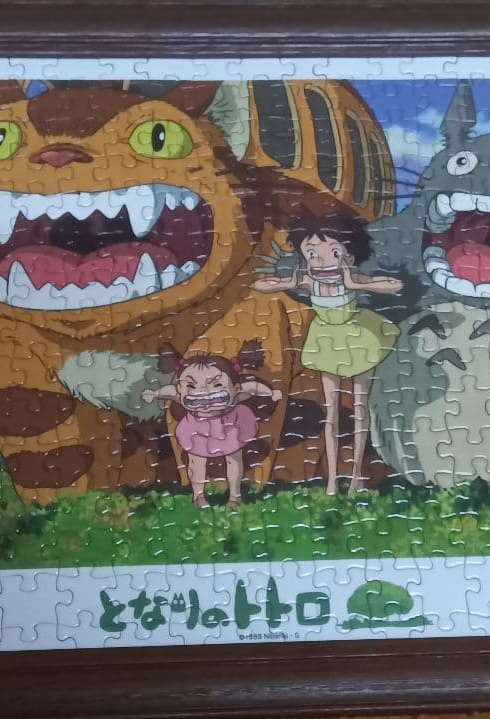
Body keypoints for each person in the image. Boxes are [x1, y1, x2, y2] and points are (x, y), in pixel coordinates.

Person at [252, 210, 402, 494]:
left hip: (359, 337)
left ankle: (356, 477)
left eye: (334, 253)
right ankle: (333, 479)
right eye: (312, 254)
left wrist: (355, 283)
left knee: (360, 408)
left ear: (350, 256)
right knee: (330, 412)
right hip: (325, 341)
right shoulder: (310, 282)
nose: (322, 262)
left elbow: (395, 285)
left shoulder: (351, 277)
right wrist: (288, 283)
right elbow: (259, 284)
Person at [144, 340, 281, 508]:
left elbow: (252, 387)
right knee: (196, 462)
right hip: (196, 430)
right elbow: (170, 391)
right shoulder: (179, 394)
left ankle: (234, 496)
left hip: (230, 427)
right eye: (191, 385)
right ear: (180, 388)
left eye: (216, 384)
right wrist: (155, 393)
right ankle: (198, 496)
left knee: (234, 460)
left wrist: (271, 393)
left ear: (235, 388)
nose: (203, 392)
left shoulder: (237, 393)